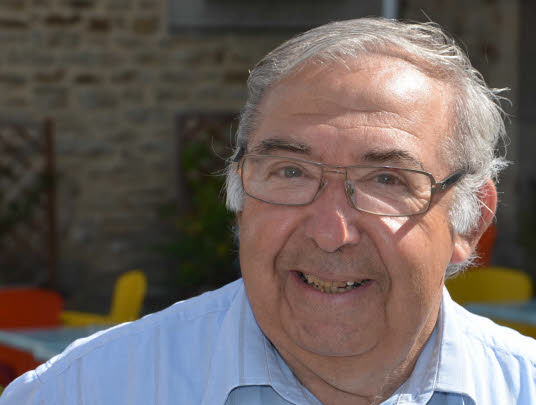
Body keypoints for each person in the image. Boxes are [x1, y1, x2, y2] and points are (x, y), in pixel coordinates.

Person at [1, 17, 535, 405]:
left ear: (470, 221)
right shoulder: (83, 391)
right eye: (291, 172)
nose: (330, 232)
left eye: (386, 180)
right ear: (239, 198)